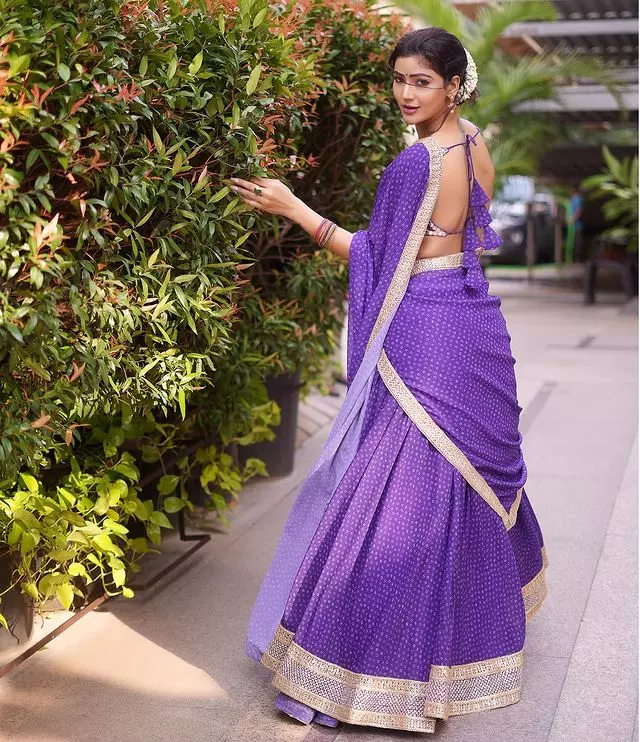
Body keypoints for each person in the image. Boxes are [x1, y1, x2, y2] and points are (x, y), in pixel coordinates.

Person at [231, 26, 547, 735]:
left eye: (421, 82)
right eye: (400, 79)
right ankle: (459, 650)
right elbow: (467, 245)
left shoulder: (417, 164)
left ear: (453, 86)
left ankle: (368, 668)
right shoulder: (476, 146)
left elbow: (372, 255)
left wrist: (294, 209)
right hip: (471, 322)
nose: (406, 93)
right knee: (451, 483)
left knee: (398, 498)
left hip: (424, 333)